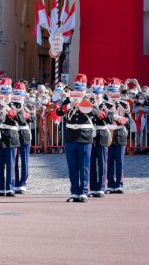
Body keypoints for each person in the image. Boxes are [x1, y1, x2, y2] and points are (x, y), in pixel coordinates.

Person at [61, 74, 99, 203]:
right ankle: (74, 192)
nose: (78, 92)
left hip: (84, 136)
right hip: (70, 136)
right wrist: (69, 105)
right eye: (77, 89)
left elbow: (96, 113)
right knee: (72, 166)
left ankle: (83, 192)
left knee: (83, 166)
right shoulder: (69, 99)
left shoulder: (89, 99)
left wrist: (83, 105)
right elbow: (58, 112)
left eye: (81, 89)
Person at [0, 79, 19, 197]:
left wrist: (8, 109)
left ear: (11, 95)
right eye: (3, 94)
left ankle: (10, 187)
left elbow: (21, 119)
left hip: (11, 137)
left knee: (10, 164)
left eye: (7, 94)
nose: (5, 97)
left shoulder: (15, 105)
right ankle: (0, 188)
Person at [89, 78, 112, 198]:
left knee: (102, 162)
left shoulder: (107, 105)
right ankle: (92, 188)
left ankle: (101, 187)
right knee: (92, 162)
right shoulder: (89, 104)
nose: (97, 95)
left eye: (98, 93)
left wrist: (106, 112)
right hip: (91, 135)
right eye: (95, 93)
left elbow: (110, 120)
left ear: (102, 93)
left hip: (102, 134)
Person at [107, 78, 130, 194]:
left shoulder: (124, 104)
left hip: (120, 133)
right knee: (109, 160)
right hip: (109, 134)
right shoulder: (105, 104)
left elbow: (128, 120)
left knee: (119, 161)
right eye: (110, 92)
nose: (112, 95)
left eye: (114, 92)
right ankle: (110, 184)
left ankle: (119, 184)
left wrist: (118, 118)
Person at [12, 82, 35, 194]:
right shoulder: (11, 104)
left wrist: (25, 114)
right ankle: (15, 182)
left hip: (24, 133)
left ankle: (23, 183)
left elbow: (33, 118)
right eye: (17, 93)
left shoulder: (28, 104)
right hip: (14, 134)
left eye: (20, 93)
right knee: (14, 160)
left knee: (24, 160)